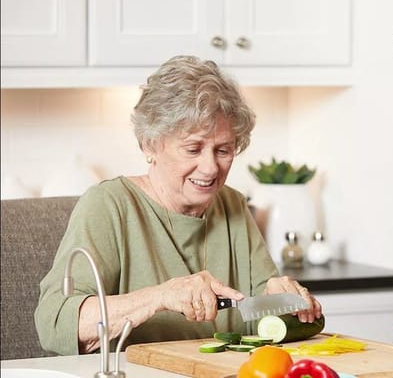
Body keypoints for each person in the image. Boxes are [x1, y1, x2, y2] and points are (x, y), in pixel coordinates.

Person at [35, 55, 322, 355]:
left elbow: (261, 318)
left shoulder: (233, 205)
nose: (210, 168)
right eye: (193, 149)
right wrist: (161, 296)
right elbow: (54, 323)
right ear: (150, 144)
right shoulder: (108, 205)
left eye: (223, 150)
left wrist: (287, 302)